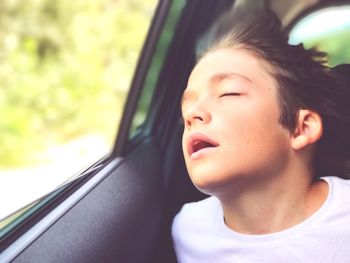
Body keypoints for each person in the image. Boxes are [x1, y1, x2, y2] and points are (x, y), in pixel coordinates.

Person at [171, 6, 350, 263]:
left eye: (228, 93)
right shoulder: (188, 229)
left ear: (301, 128)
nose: (192, 114)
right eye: (185, 107)